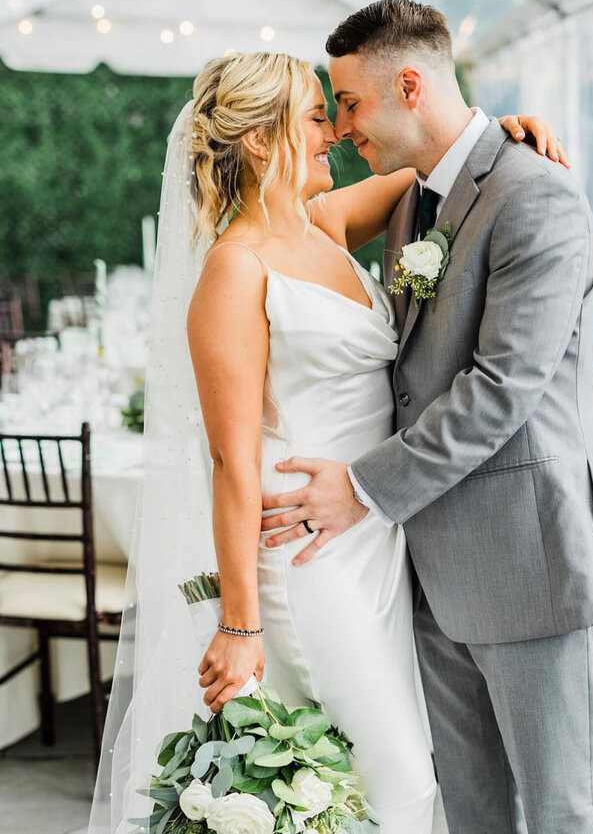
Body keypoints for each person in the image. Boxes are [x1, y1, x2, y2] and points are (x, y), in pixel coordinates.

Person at [88, 47, 563, 834]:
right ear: (262, 139)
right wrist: (240, 628)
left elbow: (438, 167)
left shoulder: (324, 223)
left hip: (375, 539)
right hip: (306, 560)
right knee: (405, 782)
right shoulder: (233, 273)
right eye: (316, 117)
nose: (335, 134)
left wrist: (502, 135)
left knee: (365, 782)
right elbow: (231, 462)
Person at [260, 0, 593, 834]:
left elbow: (502, 388)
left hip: (529, 562)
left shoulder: (536, 197)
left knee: (565, 812)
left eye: (349, 103)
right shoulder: (408, 207)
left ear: (406, 84)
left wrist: (361, 486)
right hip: (430, 572)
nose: (343, 126)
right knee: (472, 815)